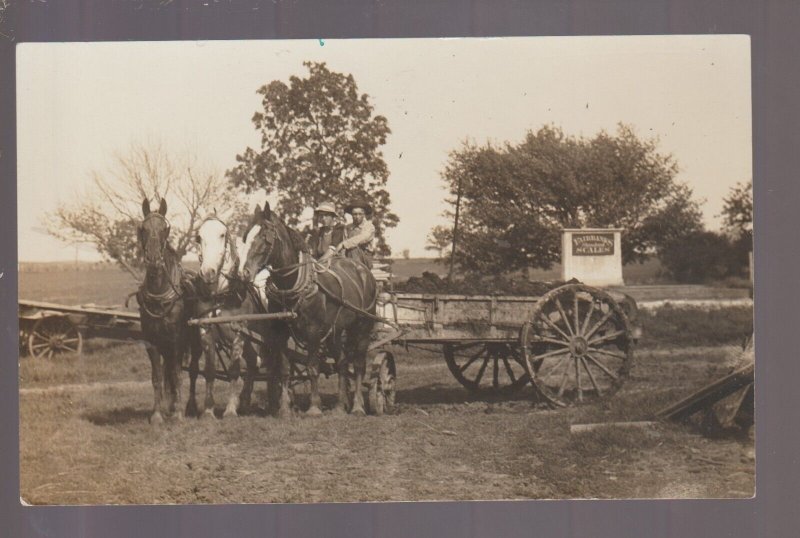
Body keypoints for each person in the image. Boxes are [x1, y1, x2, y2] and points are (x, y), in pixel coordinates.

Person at [320, 199, 375, 268]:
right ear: (351, 215)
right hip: (349, 256)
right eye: (355, 214)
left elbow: (362, 238)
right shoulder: (348, 227)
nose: (357, 217)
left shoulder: (369, 226)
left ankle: (357, 273)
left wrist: (343, 244)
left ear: (364, 215)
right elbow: (344, 241)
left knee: (354, 249)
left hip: (364, 257)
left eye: (360, 214)